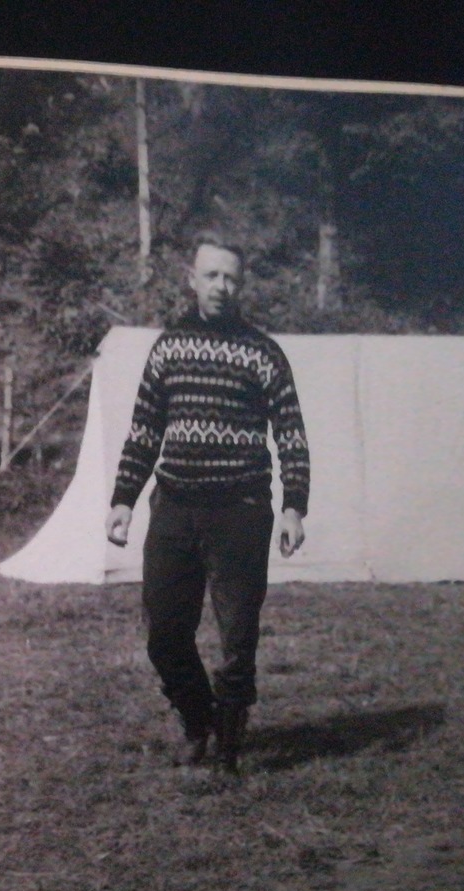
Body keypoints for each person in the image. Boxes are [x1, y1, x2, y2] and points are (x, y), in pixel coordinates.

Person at [105, 235, 310, 774]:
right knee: (165, 636)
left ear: (241, 285)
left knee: (238, 639)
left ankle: (229, 750)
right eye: (212, 275)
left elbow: (291, 434)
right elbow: (144, 430)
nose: (222, 287)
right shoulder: (167, 348)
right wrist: (124, 499)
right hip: (173, 508)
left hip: (240, 511)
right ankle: (198, 722)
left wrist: (294, 506)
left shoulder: (263, 353)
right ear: (191, 279)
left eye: (231, 278)